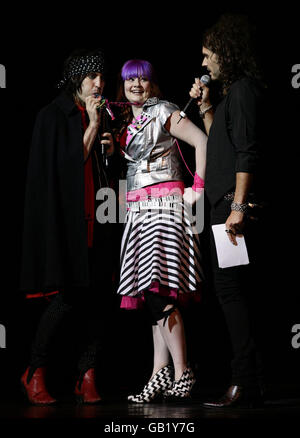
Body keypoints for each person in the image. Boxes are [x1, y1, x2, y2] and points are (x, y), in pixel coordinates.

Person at [19, 48, 117, 404]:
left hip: (100, 217)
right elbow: (66, 168)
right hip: (68, 224)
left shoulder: (100, 114)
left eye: (102, 78)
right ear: (77, 79)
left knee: (98, 300)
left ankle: (87, 374)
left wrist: (109, 151)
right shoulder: (55, 115)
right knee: (66, 298)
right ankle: (34, 370)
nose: (99, 84)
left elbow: (102, 170)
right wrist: (91, 126)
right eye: (92, 77)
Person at [115, 59, 207, 403]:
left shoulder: (164, 109)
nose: (136, 84)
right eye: (129, 80)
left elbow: (201, 141)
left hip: (164, 207)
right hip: (139, 209)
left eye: (142, 79)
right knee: (152, 293)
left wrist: (196, 189)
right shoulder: (131, 120)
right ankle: (158, 373)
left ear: (153, 84)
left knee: (159, 293)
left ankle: (183, 371)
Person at [189, 14, 266, 408]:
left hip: (230, 212)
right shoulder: (232, 94)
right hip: (221, 209)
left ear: (226, 51)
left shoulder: (245, 92)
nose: (204, 63)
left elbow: (247, 153)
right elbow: (225, 141)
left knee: (232, 292)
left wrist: (237, 207)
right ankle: (247, 380)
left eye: (208, 54)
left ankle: (244, 382)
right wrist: (205, 108)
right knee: (229, 292)